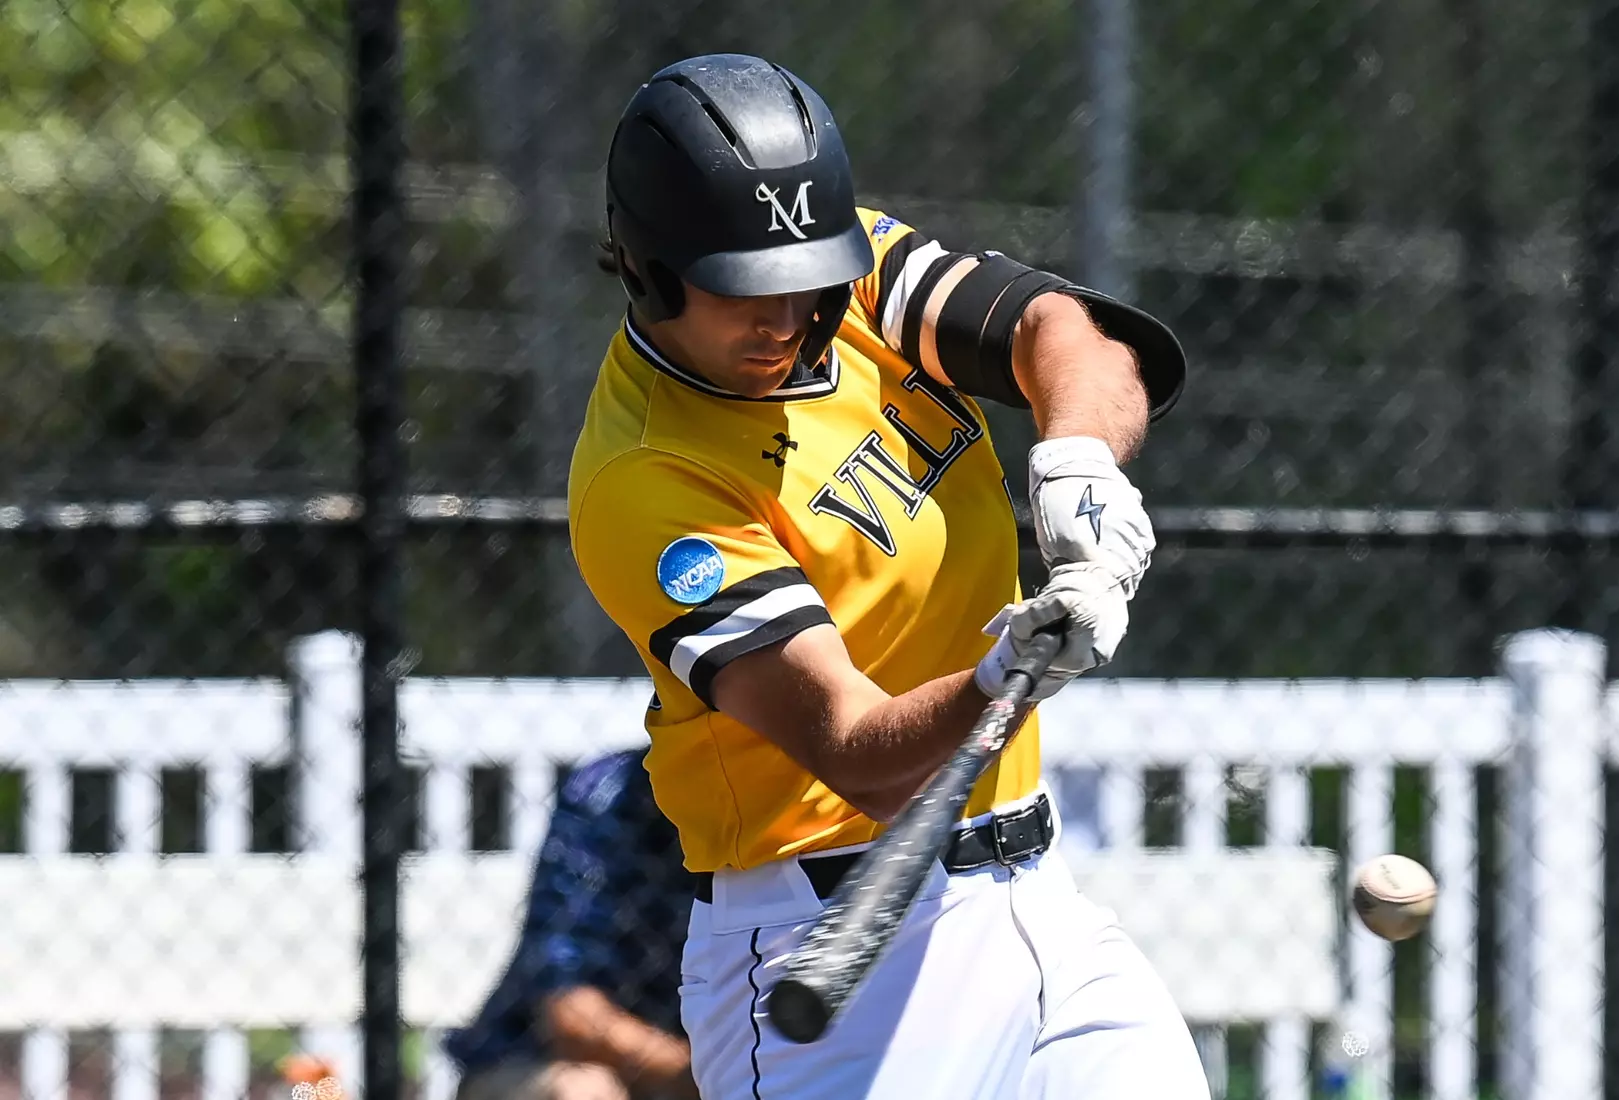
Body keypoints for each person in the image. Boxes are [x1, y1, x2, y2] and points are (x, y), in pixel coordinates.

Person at [568, 52, 1211, 1100]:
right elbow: (857, 752)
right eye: (745, 290)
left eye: (803, 280)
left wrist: (1076, 459)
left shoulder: (849, 268)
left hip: (1038, 898)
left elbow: (1070, 336)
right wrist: (1007, 669)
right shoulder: (648, 475)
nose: (784, 315)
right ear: (648, 267)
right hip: (835, 949)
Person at [443, 749, 699, 1100]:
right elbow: (569, 1013)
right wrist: (701, 1078)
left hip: (718, 1071)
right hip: (540, 1062)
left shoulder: (785, 798)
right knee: (583, 1092)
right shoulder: (607, 791)